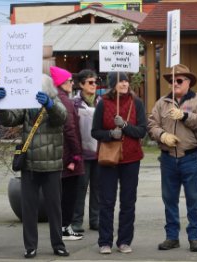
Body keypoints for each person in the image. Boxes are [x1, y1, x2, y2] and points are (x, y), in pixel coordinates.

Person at [0, 76, 69, 258]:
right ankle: (30, 246)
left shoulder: (56, 102)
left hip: (51, 164)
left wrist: (50, 105)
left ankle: (58, 244)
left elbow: (62, 117)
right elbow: (9, 119)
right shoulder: (27, 105)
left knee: (54, 208)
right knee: (29, 208)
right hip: (29, 164)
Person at [148, 64, 197, 252]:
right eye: (171, 80)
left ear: (188, 82)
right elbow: (151, 124)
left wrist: (184, 115)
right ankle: (172, 237)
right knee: (169, 200)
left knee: (194, 199)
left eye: (179, 80)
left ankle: (194, 237)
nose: (174, 83)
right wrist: (161, 135)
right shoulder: (162, 103)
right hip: (167, 158)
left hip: (190, 157)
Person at [91, 71, 147, 254]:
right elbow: (95, 131)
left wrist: (124, 126)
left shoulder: (136, 102)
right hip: (109, 159)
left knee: (128, 201)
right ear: (113, 84)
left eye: (126, 80)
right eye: (120, 81)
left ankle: (124, 240)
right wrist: (109, 134)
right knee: (107, 201)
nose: (124, 83)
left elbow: (141, 131)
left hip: (131, 158)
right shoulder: (103, 103)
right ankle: (104, 241)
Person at [49, 66, 85, 241]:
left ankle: (62, 227)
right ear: (62, 82)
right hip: (69, 154)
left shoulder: (55, 99)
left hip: (59, 153)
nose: (73, 84)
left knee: (61, 193)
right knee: (70, 193)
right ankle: (64, 228)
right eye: (71, 80)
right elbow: (70, 129)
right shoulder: (66, 102)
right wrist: (76, 155)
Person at [72, 69, 100, 233]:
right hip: (82, 152)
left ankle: (95, 220)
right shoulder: (74, 103)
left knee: (97, 188)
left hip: (99, 151)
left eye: (95, 82)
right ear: (81, 84)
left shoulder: (101, 101)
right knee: (80, 188)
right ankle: (76, 221)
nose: (94, 85)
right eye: (90, 82)